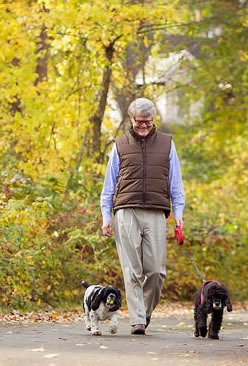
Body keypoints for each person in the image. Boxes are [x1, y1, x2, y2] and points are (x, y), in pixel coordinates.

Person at [101, 98, 185, 335]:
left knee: (157, 271)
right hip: (126, 211)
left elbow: (176, 182)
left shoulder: (167, 144)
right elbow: (109, 185)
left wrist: (178, 213)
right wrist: (106, 216)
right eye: (139, 121)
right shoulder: (119, 144)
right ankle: (137, 319)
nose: (144, 126)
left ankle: (144, 312)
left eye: (147, 121)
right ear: (131, 119)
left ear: (153, 119)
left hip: (157, 212)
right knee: (132, 270)